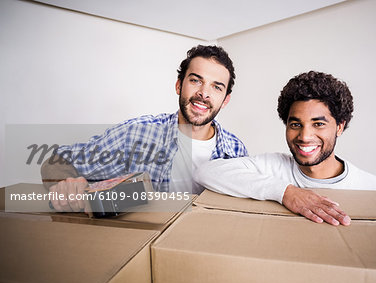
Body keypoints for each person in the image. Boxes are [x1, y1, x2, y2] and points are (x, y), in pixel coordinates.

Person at [41, 45, 248, 212]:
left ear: (225, 100)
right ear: (179, 85)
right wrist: (66, 184)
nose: (204, 93)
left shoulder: (236, 152)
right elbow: (57, 160)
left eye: (216, 87)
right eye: (195, 80)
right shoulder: (136, 134)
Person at [195, 71, 376, 226]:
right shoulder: (273, 167)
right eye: (296, 124)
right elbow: (206, 172)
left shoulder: (375, 189)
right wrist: (286, 193)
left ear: (339, 126)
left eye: (318, 124)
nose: (304, 137)